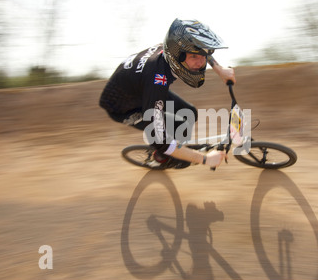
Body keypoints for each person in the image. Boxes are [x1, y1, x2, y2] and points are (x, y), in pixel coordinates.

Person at [99, 18, 236, 169]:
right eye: (194, 57)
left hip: (138, 88)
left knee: (190, 113)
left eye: (202, 56)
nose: (201, 62)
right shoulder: (157, 80)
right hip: (123, 107)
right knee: (174, 138)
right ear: (177, 56)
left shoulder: (173, 48)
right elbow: (159, 139)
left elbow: (200, 48)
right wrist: (204, 159)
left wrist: (220, 70)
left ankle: (178, 147)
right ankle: (162, 157)